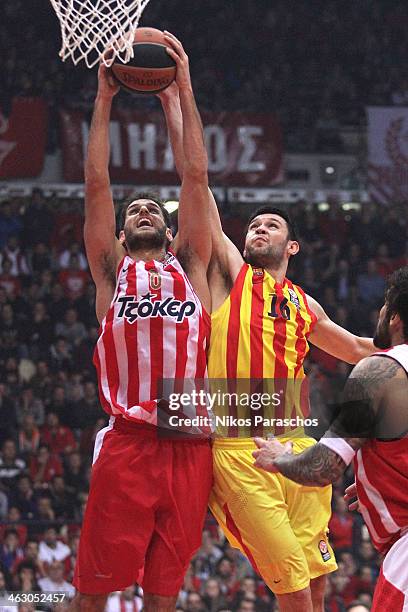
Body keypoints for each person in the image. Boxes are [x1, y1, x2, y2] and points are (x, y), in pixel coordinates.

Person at [159, 86, 375, 610]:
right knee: (293, 585)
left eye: (271, 225)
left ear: (291, 245)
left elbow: (355, 348)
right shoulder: (232, 277)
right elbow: (197, 183)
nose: (258, 229)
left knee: (318, 580)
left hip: (299, 447)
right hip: (240, 447)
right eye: (253, 225)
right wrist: (174, 102)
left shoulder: (305, 305)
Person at [70, 32, 213, 612]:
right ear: (123, 235)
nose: (147, 209)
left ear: (171, 229)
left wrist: (182, 91)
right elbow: (97, 185)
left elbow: (196, 179)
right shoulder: (110, 272)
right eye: (136, 212)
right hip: (127, 444)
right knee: (93, 593)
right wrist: (104, 100)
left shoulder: (193, 266)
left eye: (155, 207)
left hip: (187, 442)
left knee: (162, 596)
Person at [253, 267, 408, 612]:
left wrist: (279, 458)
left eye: (384, 306)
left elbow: (323, 467)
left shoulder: (382, 370)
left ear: (394, 317)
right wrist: (375, 481)